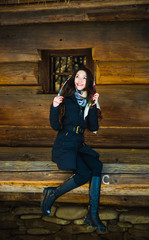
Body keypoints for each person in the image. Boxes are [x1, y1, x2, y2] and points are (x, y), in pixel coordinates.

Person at [40, 66, 106, 232]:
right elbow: (55, 126)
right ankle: (52, 194)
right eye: (77, 76)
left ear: (89, 82)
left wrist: (93, 105)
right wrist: (54, 106)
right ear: (73, 79)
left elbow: (92, 127)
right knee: (84, 173)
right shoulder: (66, 99)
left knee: (97, 166)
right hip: (65, 145)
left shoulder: (89, 100)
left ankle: (93, 215)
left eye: (84, 78)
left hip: (78, 145)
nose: (80, 80)